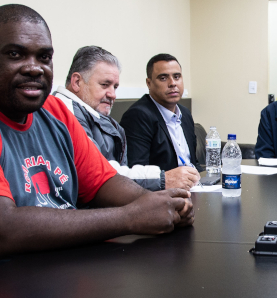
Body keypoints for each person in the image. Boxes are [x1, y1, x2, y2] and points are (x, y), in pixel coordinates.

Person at [0, 4, 194, 298]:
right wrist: (131, 217)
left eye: (44, 57)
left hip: (45, 275)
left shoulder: (54, 112)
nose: (34, 67)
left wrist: (159, 206)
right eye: (15, 54)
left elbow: (103, 182)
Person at [54, 46, 196, 191]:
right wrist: (163, 179)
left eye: (115, 87)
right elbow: (99, 173)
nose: (113, 94)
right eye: (104, 85)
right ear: (77, 82)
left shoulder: (96, 114)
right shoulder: (65, 111)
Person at [119, 54, 201, 187]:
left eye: (177, 76)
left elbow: (194, 163)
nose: (172, 83)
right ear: (149, 83)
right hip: (165, 194)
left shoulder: (184, 113)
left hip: (195, 187)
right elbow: (137, 174)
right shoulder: (138, 115)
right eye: (163, 78)